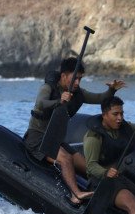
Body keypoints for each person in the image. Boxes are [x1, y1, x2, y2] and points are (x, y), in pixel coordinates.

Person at [23, 57, 126, 205]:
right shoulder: (48, 88)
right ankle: (76, 194)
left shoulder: (78, 94)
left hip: (56, 139)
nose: (77, 83)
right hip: (38, 138)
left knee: (85, 164)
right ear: (64, 76)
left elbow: (101, 98)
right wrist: (59, 101)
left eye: (80, 79)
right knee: (66, 158)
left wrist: (111, 90)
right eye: (74, 79)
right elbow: (41, 103)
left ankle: (103, 193)